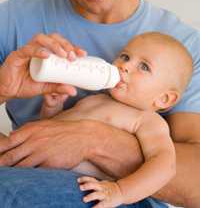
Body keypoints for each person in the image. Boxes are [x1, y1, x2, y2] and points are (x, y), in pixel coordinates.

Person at [0, 0, 199, 207]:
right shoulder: (12, 20)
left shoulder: (180, 49)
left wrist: (93, 141)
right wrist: (5, 89)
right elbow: (50, 127)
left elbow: (192, 180)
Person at [41, 32, 193, 207]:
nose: (125, 66)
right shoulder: (92, 100)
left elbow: (165, 167)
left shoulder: (148, 121)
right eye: (125, 56)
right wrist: (52, 108)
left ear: (164, 99)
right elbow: (50, 132)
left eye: (144, 67)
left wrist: (120, 191)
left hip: (86, 189)